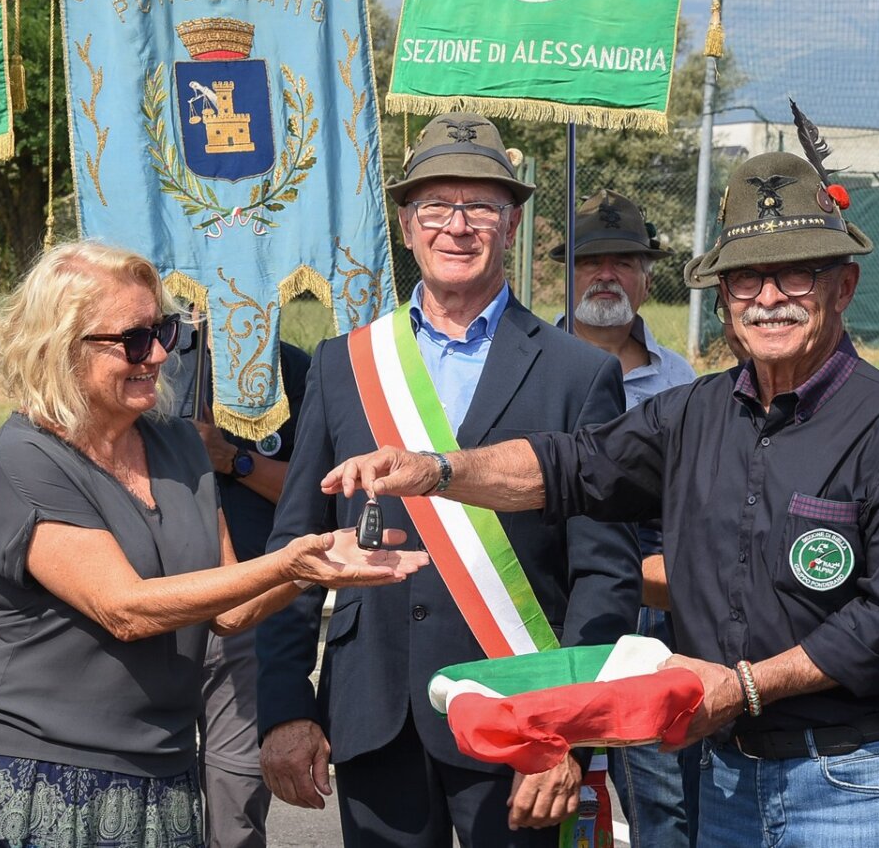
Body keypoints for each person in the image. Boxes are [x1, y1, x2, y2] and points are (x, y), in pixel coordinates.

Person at [322, 108, 879, 848]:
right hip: (726, 774)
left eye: (794, 273)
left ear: (842, 286)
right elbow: (567, 467)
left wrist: (746, 685)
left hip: (855, 781)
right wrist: (438, 468)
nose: (768, 297)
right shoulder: (691, 414)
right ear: (721, 299)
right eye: (745, 279)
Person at [0, 241, 427, 848]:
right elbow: (125, 608)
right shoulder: (21, 458)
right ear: (62, 347)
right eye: (135, 339)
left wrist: (313, 570)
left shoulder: (179, 446)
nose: (162, 353)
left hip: (163, 776)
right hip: (38, 775)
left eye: (164, 329)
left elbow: (227, 610)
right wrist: (284, 561)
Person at [257, 112, 639, 848]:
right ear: (405, 224)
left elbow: (605, 573)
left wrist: (568, 730)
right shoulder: (345, 364)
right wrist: (285, 707)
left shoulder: (579, 373)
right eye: (436, 206)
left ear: (513, 222)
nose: (456, 226)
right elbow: (294, 552)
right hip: (377, 718)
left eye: (480, 207)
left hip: (524, 725)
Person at [552, 188, 699, 848]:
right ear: (566, 272)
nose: (606, 274)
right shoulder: (532, 371)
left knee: (664, 808)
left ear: (645, 277)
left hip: (653, 625)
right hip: (550, 614)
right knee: (547, 796)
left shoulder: (684, 385)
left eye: (624, 261)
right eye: (591, 260)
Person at [164, 325, 311, 848]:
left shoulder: (290, 369)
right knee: (154, 794)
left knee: (236, 794)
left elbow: (314, 494)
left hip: (249, 609)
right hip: (158, 610)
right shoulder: (148, 361)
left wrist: (235, 460)